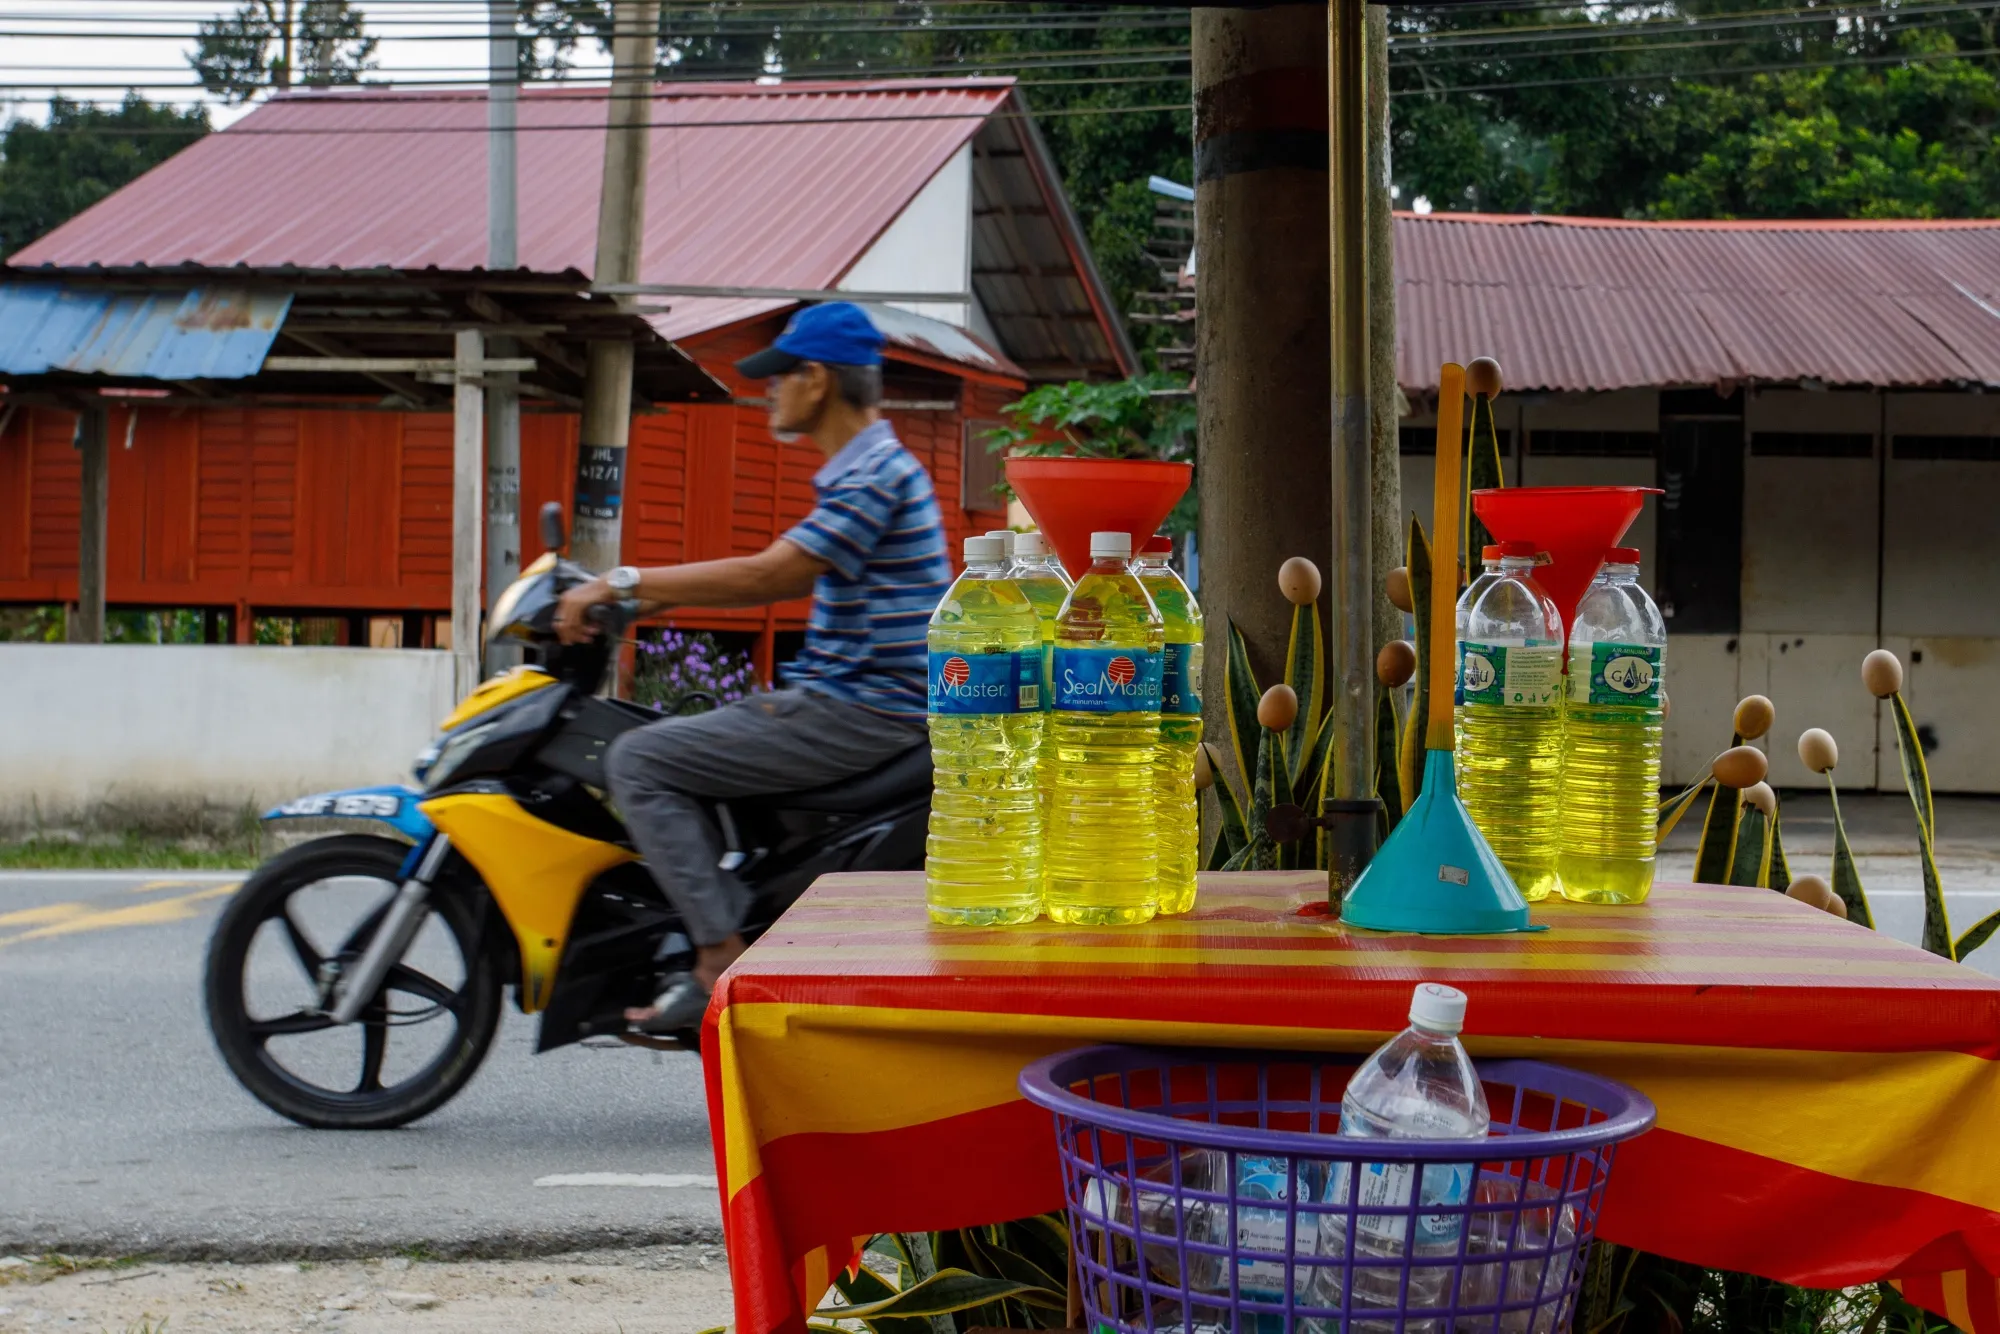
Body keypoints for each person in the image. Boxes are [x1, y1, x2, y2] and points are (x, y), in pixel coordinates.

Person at [554, 302, 947, 1032]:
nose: (767, 391)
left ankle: (716, 958)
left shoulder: (874, 474)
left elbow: (771, 576)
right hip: (850, 699)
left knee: (637, 760)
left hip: (863, 710)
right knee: (667, 735)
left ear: (817, 380)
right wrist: (646, 601)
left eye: (777, 377)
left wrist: (626, 585)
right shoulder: (868, 469)